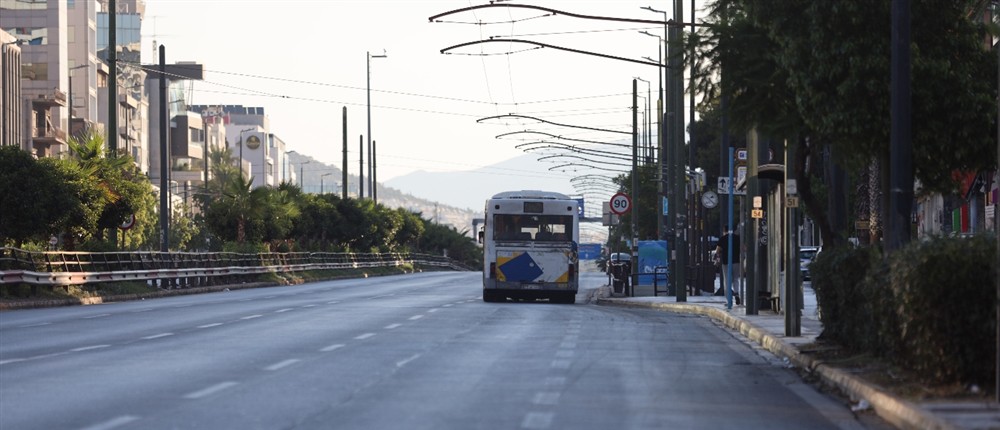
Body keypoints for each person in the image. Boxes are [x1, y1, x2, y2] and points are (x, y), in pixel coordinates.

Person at [715, 230, 741, 305]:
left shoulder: (723, 238)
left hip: (726, 262)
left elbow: (717, 251)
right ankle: (736, 293)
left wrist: (717, 260)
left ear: (724, 230)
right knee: (735, 279)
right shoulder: (737, 238)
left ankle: (729, 300)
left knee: (727, 281)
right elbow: (743, 248)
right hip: (736, 262)